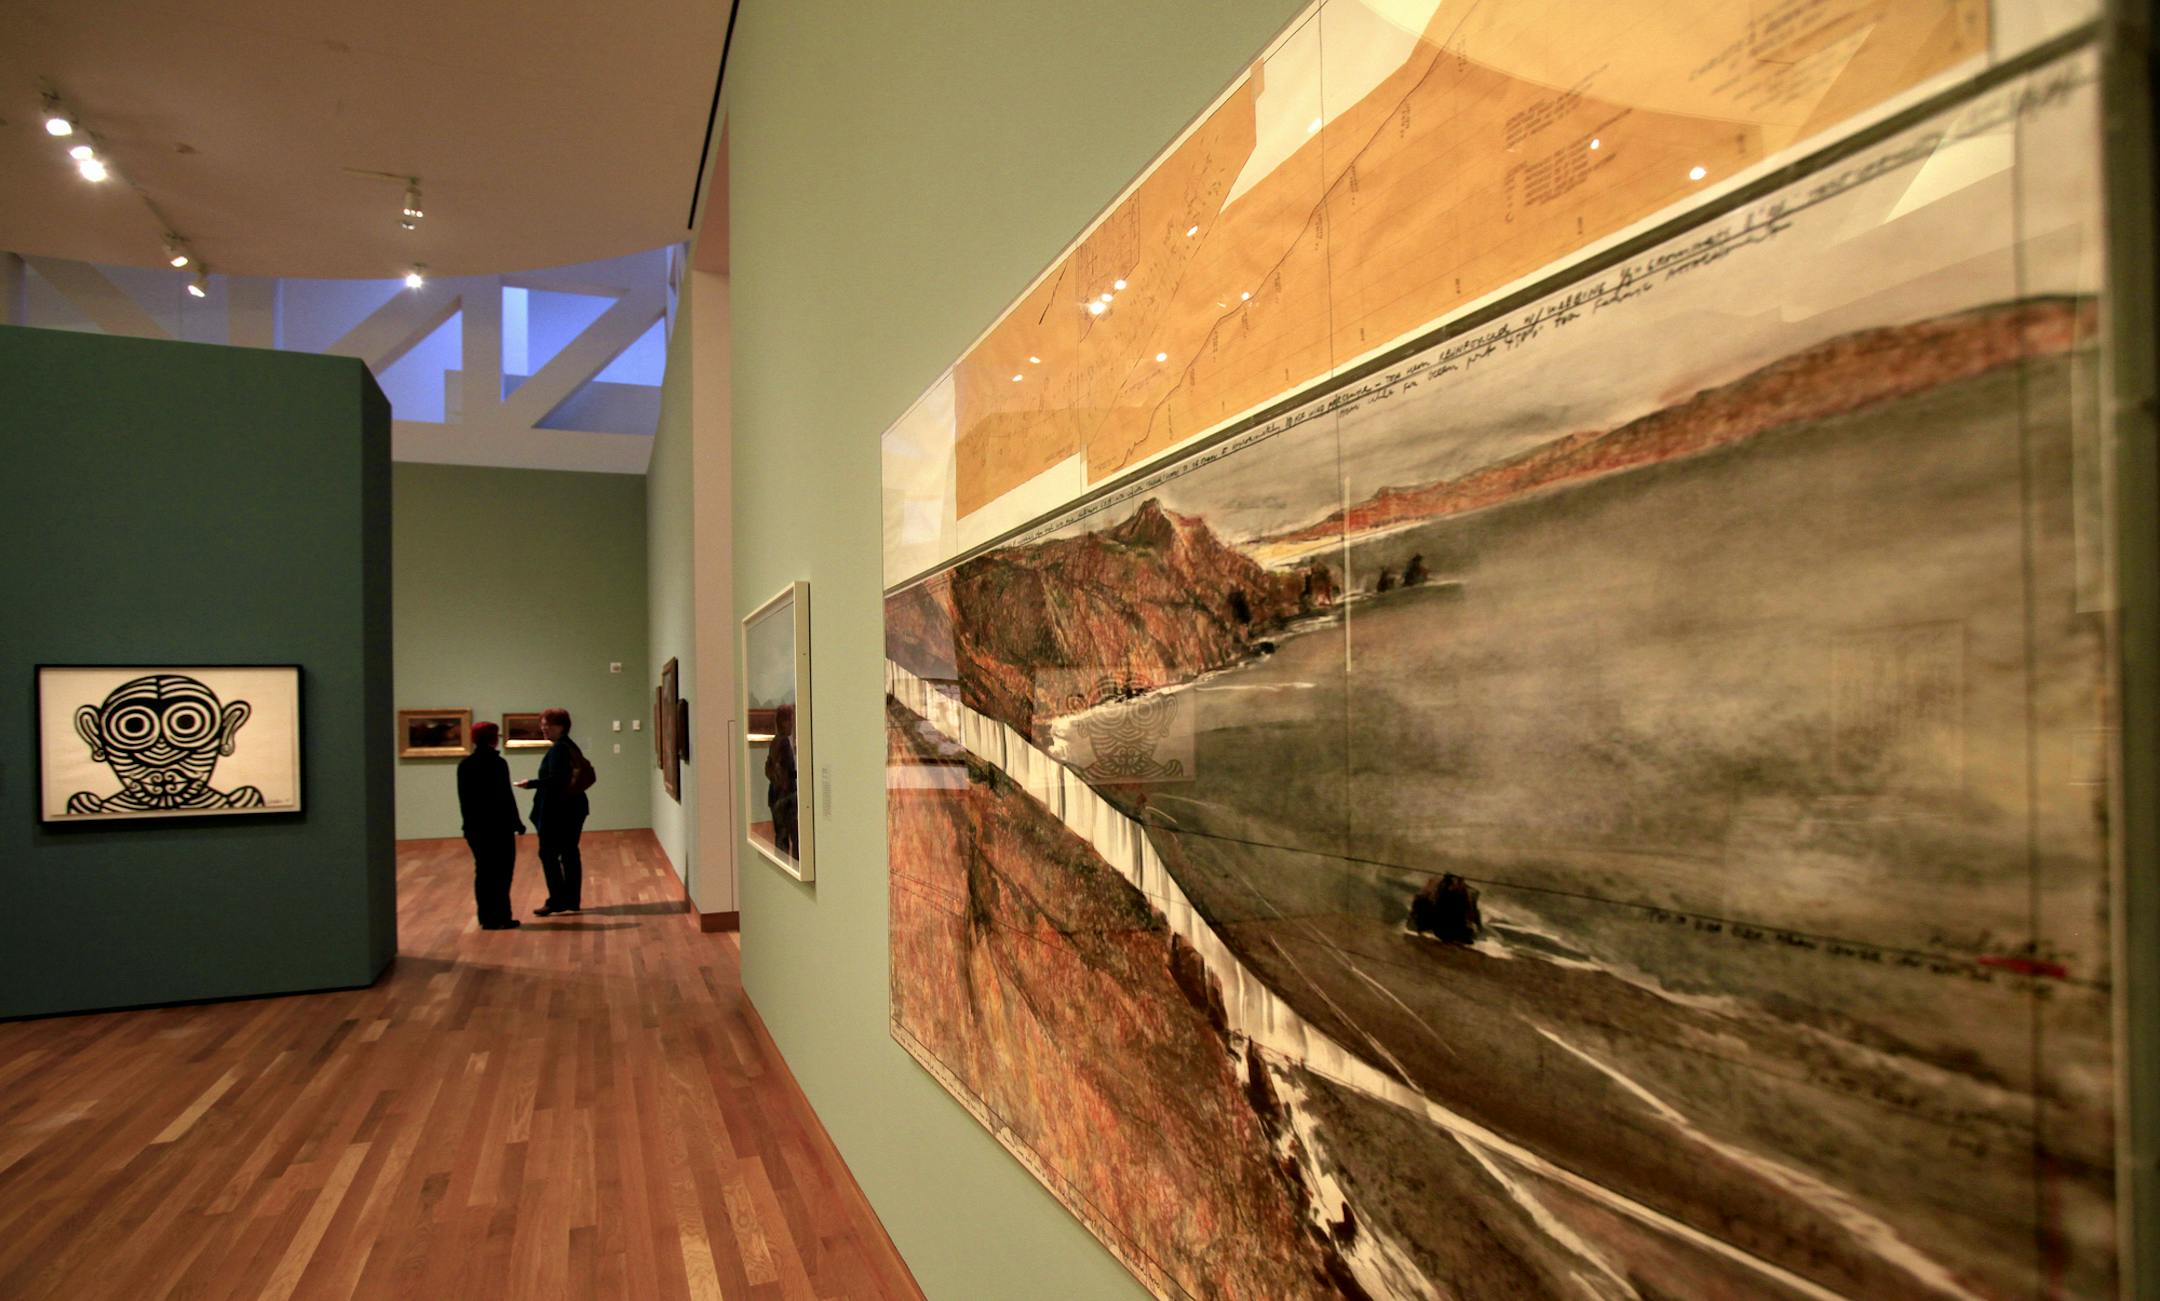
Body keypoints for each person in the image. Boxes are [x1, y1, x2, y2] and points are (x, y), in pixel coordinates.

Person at [516, 707, 589, 915]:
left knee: (548, 854)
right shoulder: (568, 746)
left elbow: (557, 780)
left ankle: (557, 900)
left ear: (560, 726)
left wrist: (531, 783)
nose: (543, 730)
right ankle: (571, 900)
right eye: (542, 726)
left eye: (547, 726)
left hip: (560, 811)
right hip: (573, 808)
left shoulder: (559, 749)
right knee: (569, 854)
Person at [457, 722, 525, 930]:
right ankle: (503, 916)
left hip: (476, 828)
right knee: (503, 873)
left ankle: (487, 918)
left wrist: (469, 827)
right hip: (499, 827)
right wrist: (517, 823)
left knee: (484, 872)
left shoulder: (465, 765)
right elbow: (506, 797)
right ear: (493, 739)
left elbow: (465, 800)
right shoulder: (498, 764)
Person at [766, 704, 798, 858]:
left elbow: (771, 769)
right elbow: (782, 772)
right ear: (783, 721)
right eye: (789, 720)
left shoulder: (775, 741)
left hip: (776, 797)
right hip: (784, 799)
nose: (791, 724)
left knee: (781, 839)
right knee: (792, 838)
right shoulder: (783, 742)